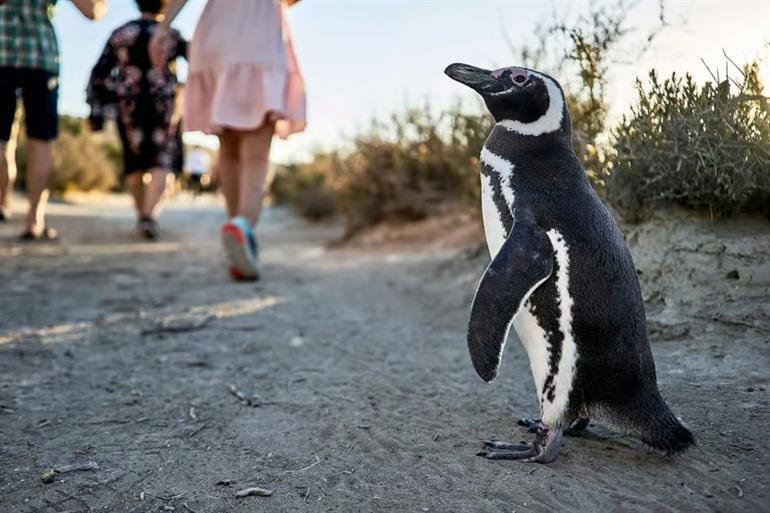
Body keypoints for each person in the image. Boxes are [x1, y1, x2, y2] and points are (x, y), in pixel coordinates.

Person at [150, 0, 306, 280]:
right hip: (257, 38)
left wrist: (163, 27)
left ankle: (238, 239)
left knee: (229, 148)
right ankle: (243, 227)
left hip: (215, 38)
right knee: (255, 157)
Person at [0, 0, 107, 238]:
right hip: (40, 56)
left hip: (3, 49)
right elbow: (92, 10)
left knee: (2, 143)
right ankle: (34, 219)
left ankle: (2, 204)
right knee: (41, 142)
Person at [86, 0, 186, 240]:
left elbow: (99, 73)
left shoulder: (122, 33)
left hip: (128, 105)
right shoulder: (169, 34)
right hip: (163, 105)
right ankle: (148, 215)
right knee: (160, 159)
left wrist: (97, 109)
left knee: (134, 161)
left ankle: (143, 214)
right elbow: (197, 60)